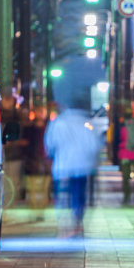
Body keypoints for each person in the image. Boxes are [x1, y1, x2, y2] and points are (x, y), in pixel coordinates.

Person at [44, 98, 102, 235]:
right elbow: (94, 146)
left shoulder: (58, 123)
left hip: (62, 166)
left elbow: (50, 143)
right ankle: (77, 221)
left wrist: (52, 155)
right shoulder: (86, 124)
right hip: (82, 166)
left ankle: (63, 223)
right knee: (79, 194)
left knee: (63, 195)